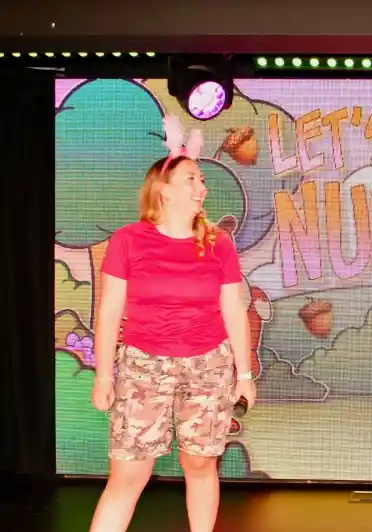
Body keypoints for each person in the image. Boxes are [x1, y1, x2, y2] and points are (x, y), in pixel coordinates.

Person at [88, 117, 255, 532]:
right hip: (143, 366)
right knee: (129, 474)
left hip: (208, 366)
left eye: (202, 180)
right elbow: (109, 310)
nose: (203, 187)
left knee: (200, 464)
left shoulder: (219, 242)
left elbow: (234, 309)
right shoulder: (128, 240)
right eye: (192, 178)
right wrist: (104, 375)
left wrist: (245, 373)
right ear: (162, 188)